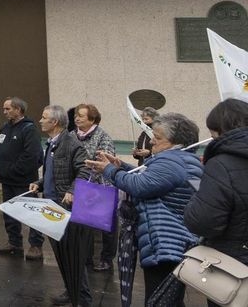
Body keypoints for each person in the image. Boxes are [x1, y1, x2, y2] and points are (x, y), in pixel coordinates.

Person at [85, 112, 203, 307]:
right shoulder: (184, 160)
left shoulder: (171, 162)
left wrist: (109, 170)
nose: (151, 142)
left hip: (165, 242)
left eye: (157, 138)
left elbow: (141, 185)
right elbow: (152, 178)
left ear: (176, 142)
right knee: (169, 298)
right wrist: (120, 165)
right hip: (174, 240)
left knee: (159, 299)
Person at [184, 98, 248, 298]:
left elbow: (203, 222)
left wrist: (197, 200)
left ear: (220, 130)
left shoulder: (222, 163)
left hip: (235, 270)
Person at [29, 105, 92, 307]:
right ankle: (70, 289)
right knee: (61, 253)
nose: (40, 120)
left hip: (64, 207)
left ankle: (82, 297)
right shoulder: (52, 143)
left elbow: (84, 170)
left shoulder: (71, 143)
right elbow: (54, 172)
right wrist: (39, 184)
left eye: (44, 117)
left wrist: (72, 191)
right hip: (51, 204)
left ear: (54, 122)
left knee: (72, 255)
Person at [0, 96, 44, 260]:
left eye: (8, 109)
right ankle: (14, 242)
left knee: (31, 213)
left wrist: (13, 170)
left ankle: (36, 245)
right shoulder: (4, 128)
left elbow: (31, 156)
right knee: (10, 212)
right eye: (4, 108)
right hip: (6, 180)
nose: (4, 112)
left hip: (25, 181)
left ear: (18, 110)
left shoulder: (29, 129)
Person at [73, 103, 116, 272]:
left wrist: (86, 178)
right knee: (84, 225)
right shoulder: (71, 135)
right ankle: (87, 257)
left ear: (92, 119)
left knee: (106, 226)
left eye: (81, 116)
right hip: (81, 186)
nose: (77, 118)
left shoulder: (103, 137)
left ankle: (106, 259)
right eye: (76, 115)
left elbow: (102, 163)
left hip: (101, 187)